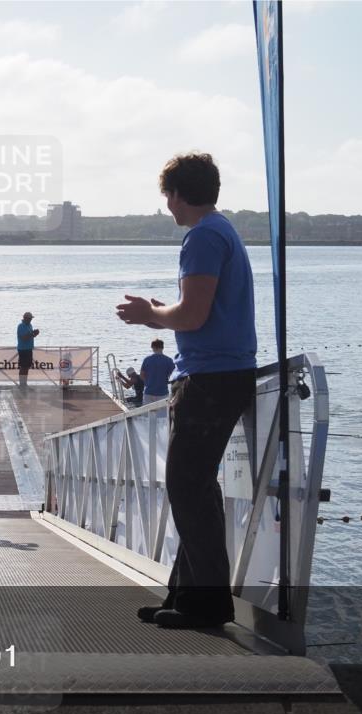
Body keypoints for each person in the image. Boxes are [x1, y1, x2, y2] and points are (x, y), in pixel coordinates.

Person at [116, 152, 257, 629]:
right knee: (196, 488)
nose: (167, 206)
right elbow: (200, 311)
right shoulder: (222, 230)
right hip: (222, 374)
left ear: (178, 194)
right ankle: (185, 597)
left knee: (187, 487)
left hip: (209, 378)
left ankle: (208, 606)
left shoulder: (202, 237)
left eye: (167, 197)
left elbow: (193, 316)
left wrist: (150, 314)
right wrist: (162, 314)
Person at [140, 339, 176, 404]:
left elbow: (142, 375)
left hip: (148, 391)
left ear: (153, 347)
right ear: (162, 347)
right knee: (163, 410)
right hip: (163, 392)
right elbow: (173, 377)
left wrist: (147, 383)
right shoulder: (168, 360)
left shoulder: (147, 359)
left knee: (147, 410)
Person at [16, 312, 40, 388]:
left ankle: (24, 383)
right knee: (23, 367)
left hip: (29, 348)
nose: (30, 320)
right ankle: (22, 384)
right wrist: (32, 333)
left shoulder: (30, 325)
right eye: (29, 319)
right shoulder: (21, 326)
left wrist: (35, 334)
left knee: (27, 367)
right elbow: (23, 338)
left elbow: (30, 336)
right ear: (25, 318)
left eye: (31, 319)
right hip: (23, 349)